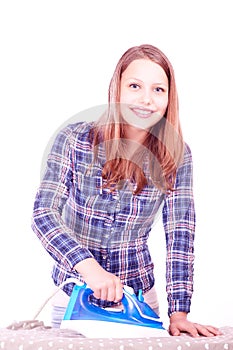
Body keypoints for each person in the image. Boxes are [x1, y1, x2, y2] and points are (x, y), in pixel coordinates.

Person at [31, 44, 221, 337]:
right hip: (72, 295)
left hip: (140, 295)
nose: (146, 100)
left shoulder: (177, 156)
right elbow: (43, 214)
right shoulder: (73, 140)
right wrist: (88, 268)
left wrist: (179, 312)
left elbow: (180, 234)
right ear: (116, 89)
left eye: (158, 90)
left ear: (169, 98)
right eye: (135, 86)